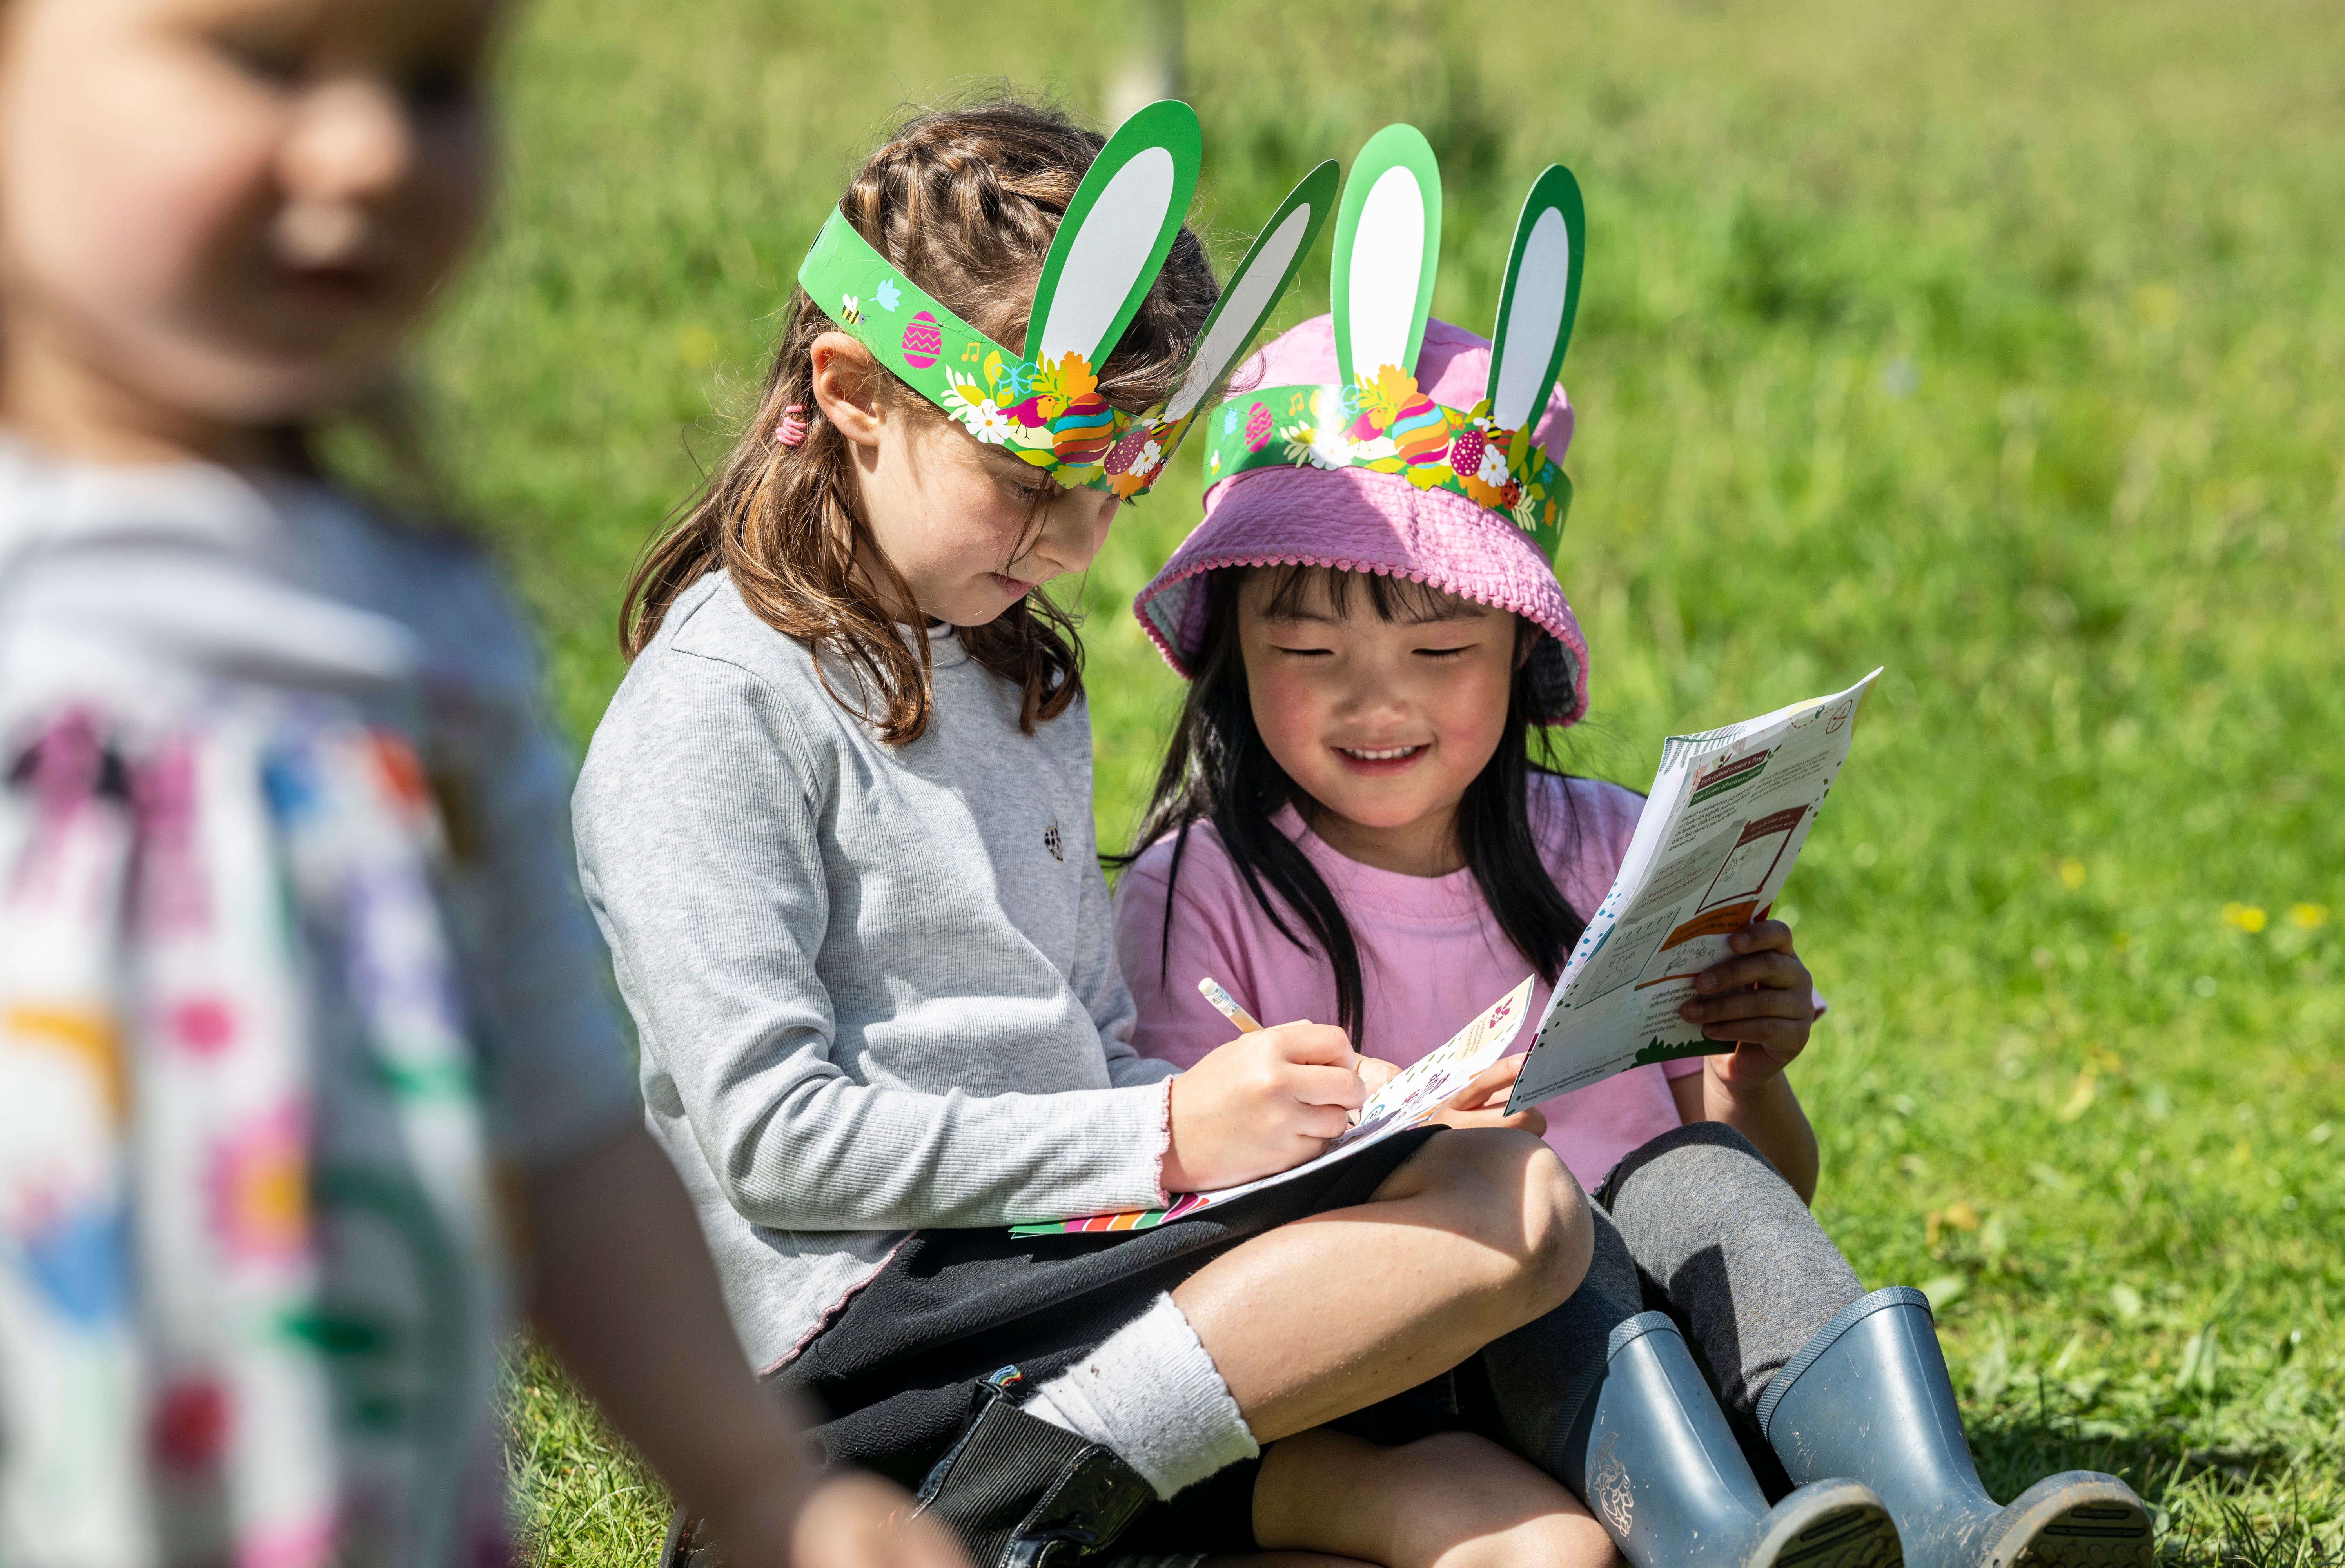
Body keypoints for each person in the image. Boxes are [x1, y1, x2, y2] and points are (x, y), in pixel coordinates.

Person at [569, 98, 1692, 1568]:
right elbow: (779, 1145)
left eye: (1117, 489)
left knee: (1542, 1544)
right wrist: (1163, 1135)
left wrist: (1305, 1120)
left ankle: (1057, 1507)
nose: (1084, 545)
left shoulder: (1012, 669)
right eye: (1037, 485)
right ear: (852, 391)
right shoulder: (714, 712)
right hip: (864, 1352)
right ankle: (990, 1512)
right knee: (1523, 1212)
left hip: (1077, 1291)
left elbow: (1081, 1031)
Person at [1114, 125, 2156, 1568]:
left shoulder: (1604, 846)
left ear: (1520, 648)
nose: (1378, 698)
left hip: (1647, 1369)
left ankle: (1946, 1518)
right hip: (1411, 1366)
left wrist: (1745, 1072)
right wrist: (1396, 1146)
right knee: (1544, 1227)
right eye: (1306, 642)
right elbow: (1194, 1231)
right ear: (1232, 646)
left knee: (1688, 1184)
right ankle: (1723, 1546)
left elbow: (1762, 1188)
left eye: (1438, 643)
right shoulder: (1202, 891)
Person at [0, 2, 962, 1565]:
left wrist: (767, 1482)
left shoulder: (423, 633)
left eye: (439, 80)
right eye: (261, 57)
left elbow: (567, 1129)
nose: (373, 145)